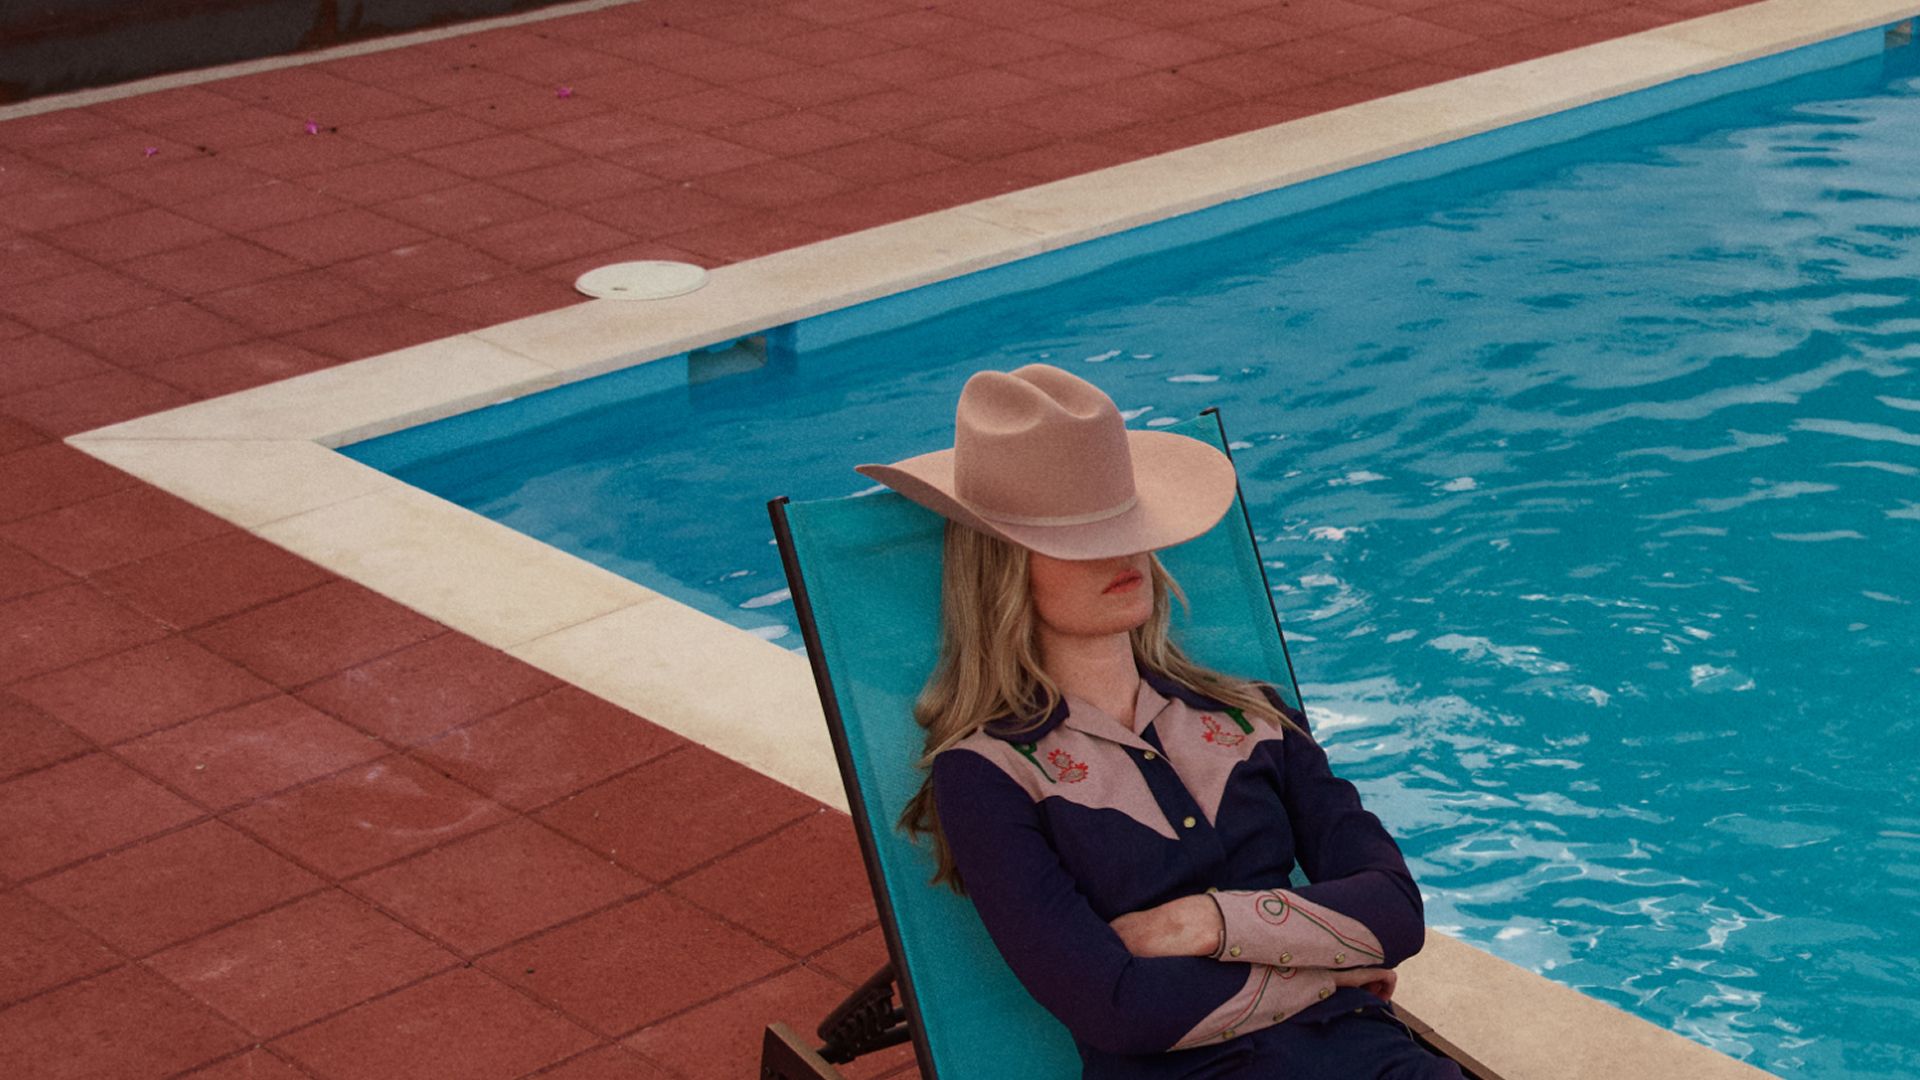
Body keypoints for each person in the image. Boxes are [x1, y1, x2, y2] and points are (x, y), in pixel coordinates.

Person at [853, 363, 1463, 1080]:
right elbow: (1119, 1008)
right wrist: (1327, 969)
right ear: (1002, 567)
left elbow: (1396, 912)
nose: (1123, 554)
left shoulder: (1257, 717)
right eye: (1081, 539)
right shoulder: (988, 776)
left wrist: (1203, 923)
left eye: (1125, 524)